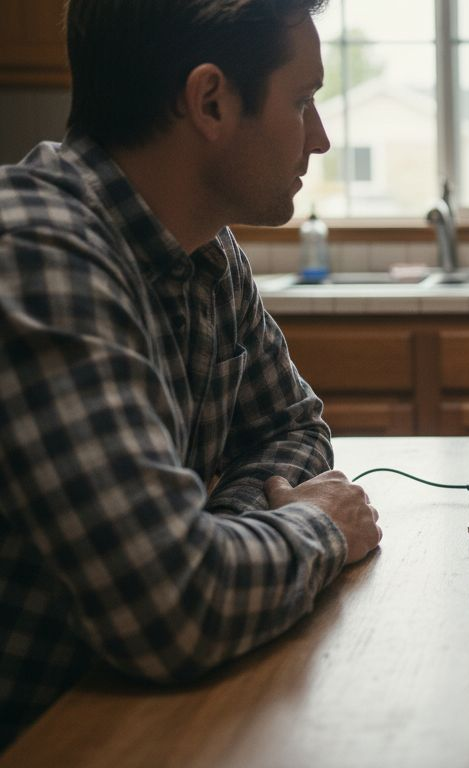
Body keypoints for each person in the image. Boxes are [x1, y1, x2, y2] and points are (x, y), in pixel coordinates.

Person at [0, 0, 381, 747]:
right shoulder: (35, 251)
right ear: (212, 100)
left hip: (134, 707)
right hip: (43, 731)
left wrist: (220, 536)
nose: (321, 136)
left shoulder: (204, 245)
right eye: (303, 100)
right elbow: (170, 607)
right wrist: (316, 524)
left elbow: (293, 426)